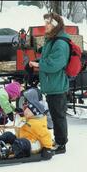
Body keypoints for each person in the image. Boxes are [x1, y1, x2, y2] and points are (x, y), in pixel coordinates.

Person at [29, 12, 70, 154]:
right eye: (45, 22)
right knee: (55, 113)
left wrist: (39, 64)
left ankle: (61, 144)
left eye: (48, 23)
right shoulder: (52, 40)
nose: (45, 26)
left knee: (58, 115)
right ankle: (58, 140)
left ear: (55, 26)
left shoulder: (60, 43)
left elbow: (55, 64)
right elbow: (49, 59)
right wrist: (38, 62)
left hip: (57, 85)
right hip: (52, 85)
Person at [0, 88, 54, 160]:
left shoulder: (37, 123)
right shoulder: (26, 119)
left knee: (22, 142)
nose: (24, 111)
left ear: (34, 112)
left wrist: (47, 149)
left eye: (27, 110)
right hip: (20, 140)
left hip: (32, 145)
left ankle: (7, 153)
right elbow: (19, 130)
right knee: (8, 135)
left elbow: (46, 135)